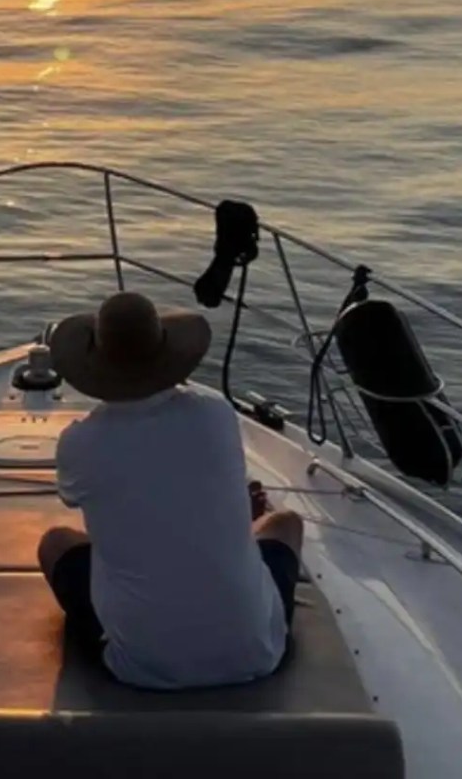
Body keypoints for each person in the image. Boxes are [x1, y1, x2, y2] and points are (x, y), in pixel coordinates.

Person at [37, 291, 303, 690]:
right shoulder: (216, 415)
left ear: (95, 365)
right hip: (258, 653)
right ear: (168, 353)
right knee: (286, 523)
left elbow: (78, 498)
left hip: (142, 668)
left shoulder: (81, 443)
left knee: (56, 543)